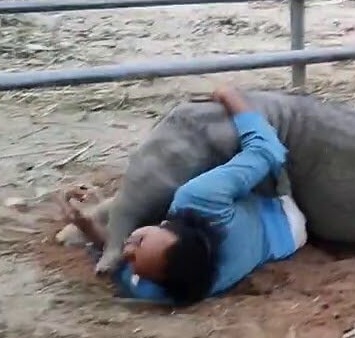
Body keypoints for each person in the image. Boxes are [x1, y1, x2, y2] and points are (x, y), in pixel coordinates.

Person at [57, 85, 309, 307]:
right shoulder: (200, 198)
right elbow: (267, 150)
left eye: (134, 252)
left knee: (161, 184)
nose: (128, 249)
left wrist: (88, 227)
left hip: (286, 243)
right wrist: (230, 96)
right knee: (228, 165)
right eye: (138, 243)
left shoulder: (164, 289)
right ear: (170, 226)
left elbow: (120, 261)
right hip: (280, 212)